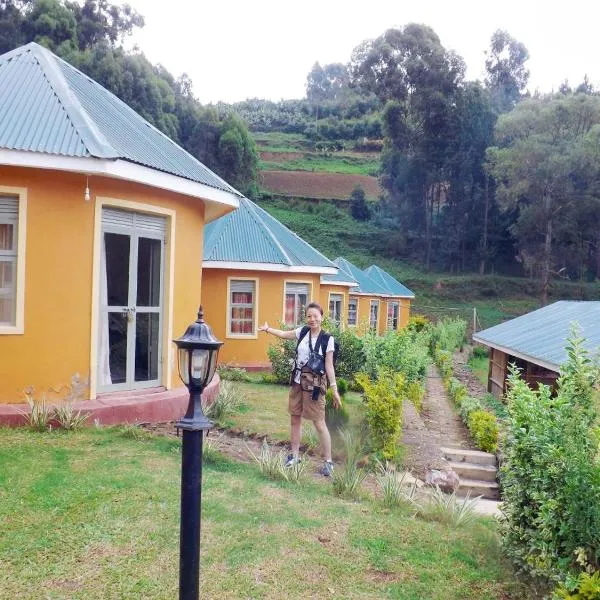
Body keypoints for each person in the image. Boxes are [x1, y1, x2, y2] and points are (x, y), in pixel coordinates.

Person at [259, 302, 341, 476]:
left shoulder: (328, 339)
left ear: (322, 318)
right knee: (295, 419)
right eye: (309, 316)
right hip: (297, 382)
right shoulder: (302, 332)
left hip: (315, 386)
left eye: (315, 316)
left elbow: (329, 366)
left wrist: (334, 389)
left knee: (319, 422)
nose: (312, 319)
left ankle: (328, 462)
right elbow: (283, 334)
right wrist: (268, 329)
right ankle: (294, 456)